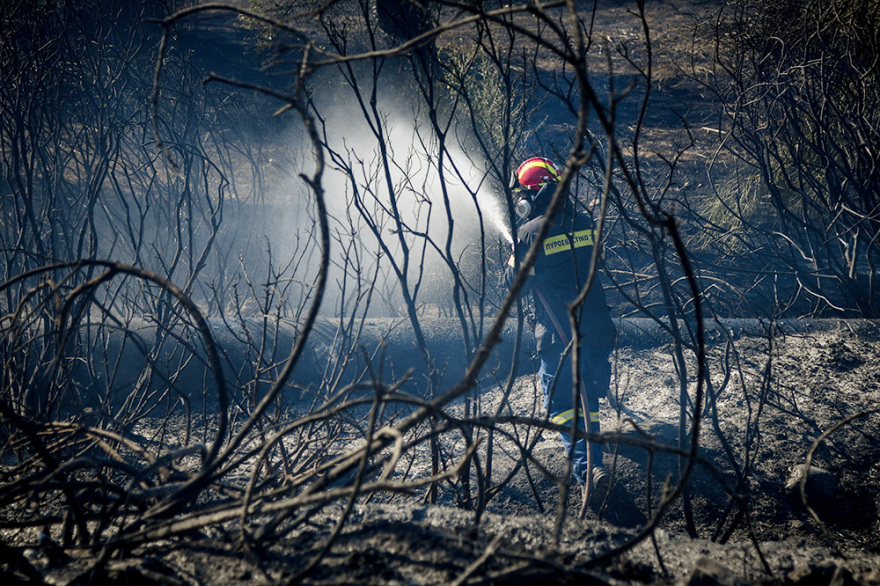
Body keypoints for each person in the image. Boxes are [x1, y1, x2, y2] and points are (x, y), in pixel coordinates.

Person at [505, 156, 617, 491]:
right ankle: (593, 456)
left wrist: (514, 260)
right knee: (588, 400)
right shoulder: (585, 223)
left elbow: (514, 287)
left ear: (532, 196)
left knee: (561, 404)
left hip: (559, 336)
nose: (518, 202)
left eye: (521, 196)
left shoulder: (527, 234)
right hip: (598, 331)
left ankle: (589, 471)